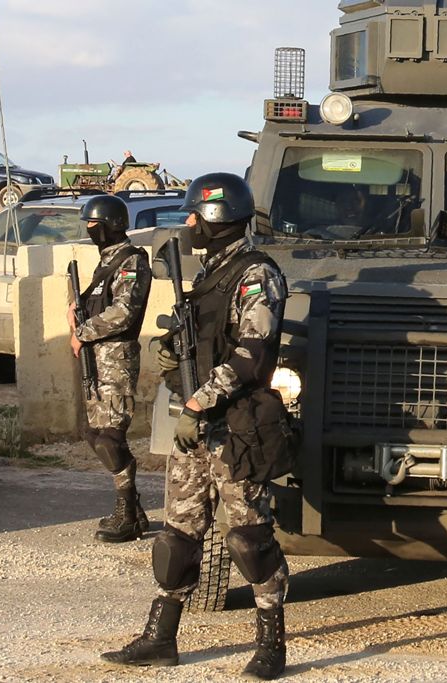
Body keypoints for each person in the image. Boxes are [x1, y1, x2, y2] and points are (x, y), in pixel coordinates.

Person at [101, 172, 291, 680]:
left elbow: (252, 357)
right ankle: (161, 638)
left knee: (249, 538)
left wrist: (196, 403)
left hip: (236, 426)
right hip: (198, 429)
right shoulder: (209, 274)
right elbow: (202, 345)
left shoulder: (256, 275)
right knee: (179, 534)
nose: (187, 223)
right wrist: (171, 355)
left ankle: (272, 643)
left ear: (216, 217)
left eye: (193, 214)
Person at [66, 194, 152, 543]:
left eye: (93, 224)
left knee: (111, 438)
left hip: (115, 360)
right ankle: (132, 506)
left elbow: (123, 312)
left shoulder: (131, 261)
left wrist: (82, 332)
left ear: (110, 225)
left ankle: (127, 514)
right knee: (94, 433)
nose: (89, 229)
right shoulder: (105, 263)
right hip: (96, 361)